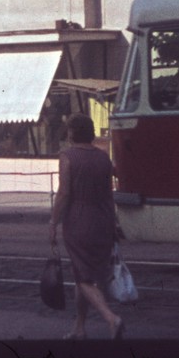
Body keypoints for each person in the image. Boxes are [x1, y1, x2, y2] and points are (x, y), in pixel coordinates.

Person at [49, 113, 125, 341]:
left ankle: (111, 318)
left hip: (78, 220)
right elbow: (108, 194)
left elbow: (63, 193)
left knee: (83, 278)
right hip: (102, 219)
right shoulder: (103, 158)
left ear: (72, 132)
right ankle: (79, 328)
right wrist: (114, 223)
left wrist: (53, 222)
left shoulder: (67, 156)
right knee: (85, 274)